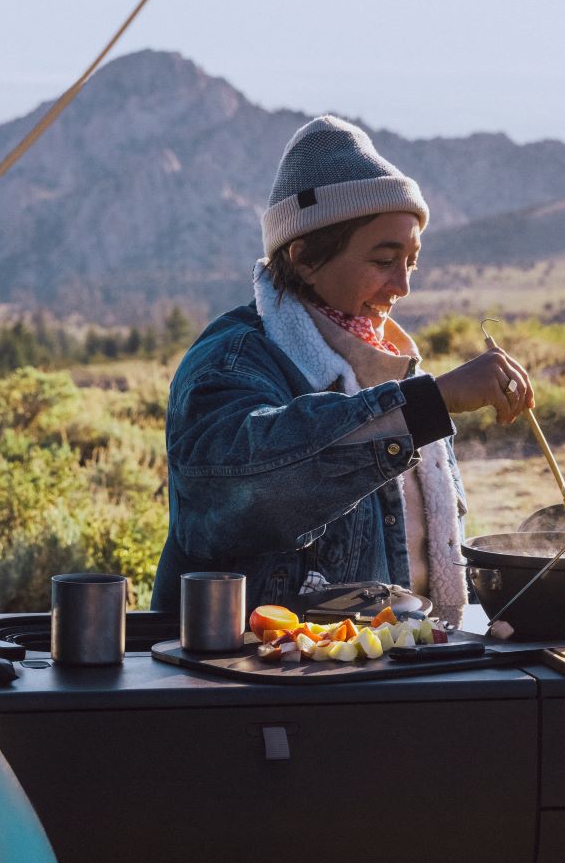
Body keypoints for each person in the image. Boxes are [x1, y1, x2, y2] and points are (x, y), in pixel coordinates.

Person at [153, 116, 532, 623]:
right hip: (267, 682)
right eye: (383, 260)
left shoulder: (389, 364)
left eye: (411, 262)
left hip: (393, 669)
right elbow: (241, 490)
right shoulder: (232, 362)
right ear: (305, 256)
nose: (403, 287)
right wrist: (429, 404)